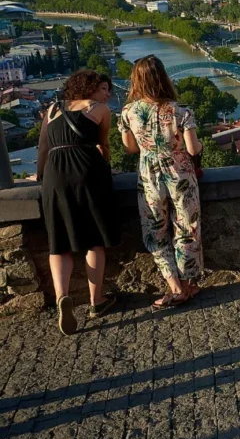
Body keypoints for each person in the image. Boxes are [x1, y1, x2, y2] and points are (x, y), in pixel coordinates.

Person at [37, 70, 119, 335]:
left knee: (58, 243)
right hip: (86, 171)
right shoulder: (100, 110)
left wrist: (41, 178)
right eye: (104, 88)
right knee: (94, 240)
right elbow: (104, 145)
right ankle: (97, 302)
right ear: (91, 88)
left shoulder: (52, 109)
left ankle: (63, 295)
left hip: (54, 176)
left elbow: (43, 149)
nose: (107, 94)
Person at [121, 55, 204, 308]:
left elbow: (130, 149)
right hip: (180, 174)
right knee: (187, 227)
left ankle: (175, 287)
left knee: (155, 232)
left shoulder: (128, 112)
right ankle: (189, 284)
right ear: (163, 77)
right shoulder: (181, 110)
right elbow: (193, 148)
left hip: (149, 177)